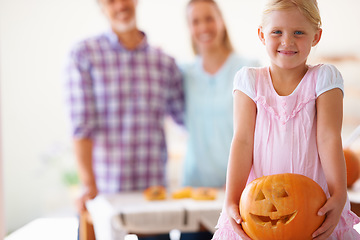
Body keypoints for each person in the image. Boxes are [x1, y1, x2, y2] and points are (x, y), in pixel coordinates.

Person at [212, 0, 360, 239]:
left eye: (299, 32)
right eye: (277, 32)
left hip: (314, 210)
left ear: (316, 36)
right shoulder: (249, 81)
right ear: (262, 35)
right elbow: (241, 142)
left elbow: (329, 138)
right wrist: (231, 199)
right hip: (260, 209)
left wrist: (339, 194)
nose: (287, 41)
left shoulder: (324, 78)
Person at [64, 0, 184, 215]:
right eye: (110, 1)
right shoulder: (83, 54)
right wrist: (89, 185)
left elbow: (186, 120)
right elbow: (81, 126)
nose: (120, 5)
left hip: (153, 195)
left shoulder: (164, 63)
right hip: (104, 195)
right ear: (101, 6)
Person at [180, 0, 258, 188]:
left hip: (241, 186)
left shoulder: (249, 69)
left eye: (209, 19)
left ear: (221, 21)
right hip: (195, 186)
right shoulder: (184, 73)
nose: (203, 27)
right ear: (189, 28)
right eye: (195, 22)